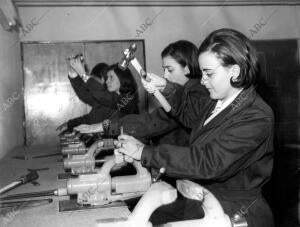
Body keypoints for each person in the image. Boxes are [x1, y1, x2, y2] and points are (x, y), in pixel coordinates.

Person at [115, 28, 274, 227]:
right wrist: (166, 86)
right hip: (205, 200)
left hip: (235, 212)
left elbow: (208, 162)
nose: (202, 80)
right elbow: (186, 111)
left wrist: (145, 152)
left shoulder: (256, 116)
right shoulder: (216, 102)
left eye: (208, 73)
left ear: (234, 71)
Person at [75, 40, 209, 147]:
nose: (165, 75)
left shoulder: (198, 92)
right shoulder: (179, 96)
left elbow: (150, 122)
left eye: (170, 70)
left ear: (186, 68)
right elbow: (154, 120)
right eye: (164, 70)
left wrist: (166, 86)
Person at [57, 59, 139, 133]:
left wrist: (83, 75)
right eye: (107, 78)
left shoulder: (129, 99)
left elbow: (103, 96)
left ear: (122, 78)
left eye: (111, 77)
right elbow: (91, 115)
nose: (107, 81)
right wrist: (73, 72)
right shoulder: (108, 97)